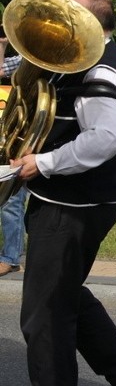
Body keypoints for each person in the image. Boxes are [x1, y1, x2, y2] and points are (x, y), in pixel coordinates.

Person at [11, 0, 116, 385]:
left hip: (74, 206)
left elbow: (107, 138)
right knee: (64, 291)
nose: (54, 20)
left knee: (45, 316)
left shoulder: (100, 69)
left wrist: (42, 162)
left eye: (65, 14)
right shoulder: (74, 61)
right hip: (65, 200)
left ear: (91, 23)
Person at [0, 36, 27, 278]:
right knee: (11, 200)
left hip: (28, 138)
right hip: (12, 135)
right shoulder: (21, 60)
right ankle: (14, 251)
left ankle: (10, 257)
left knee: (12, 201)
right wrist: (2, 46)